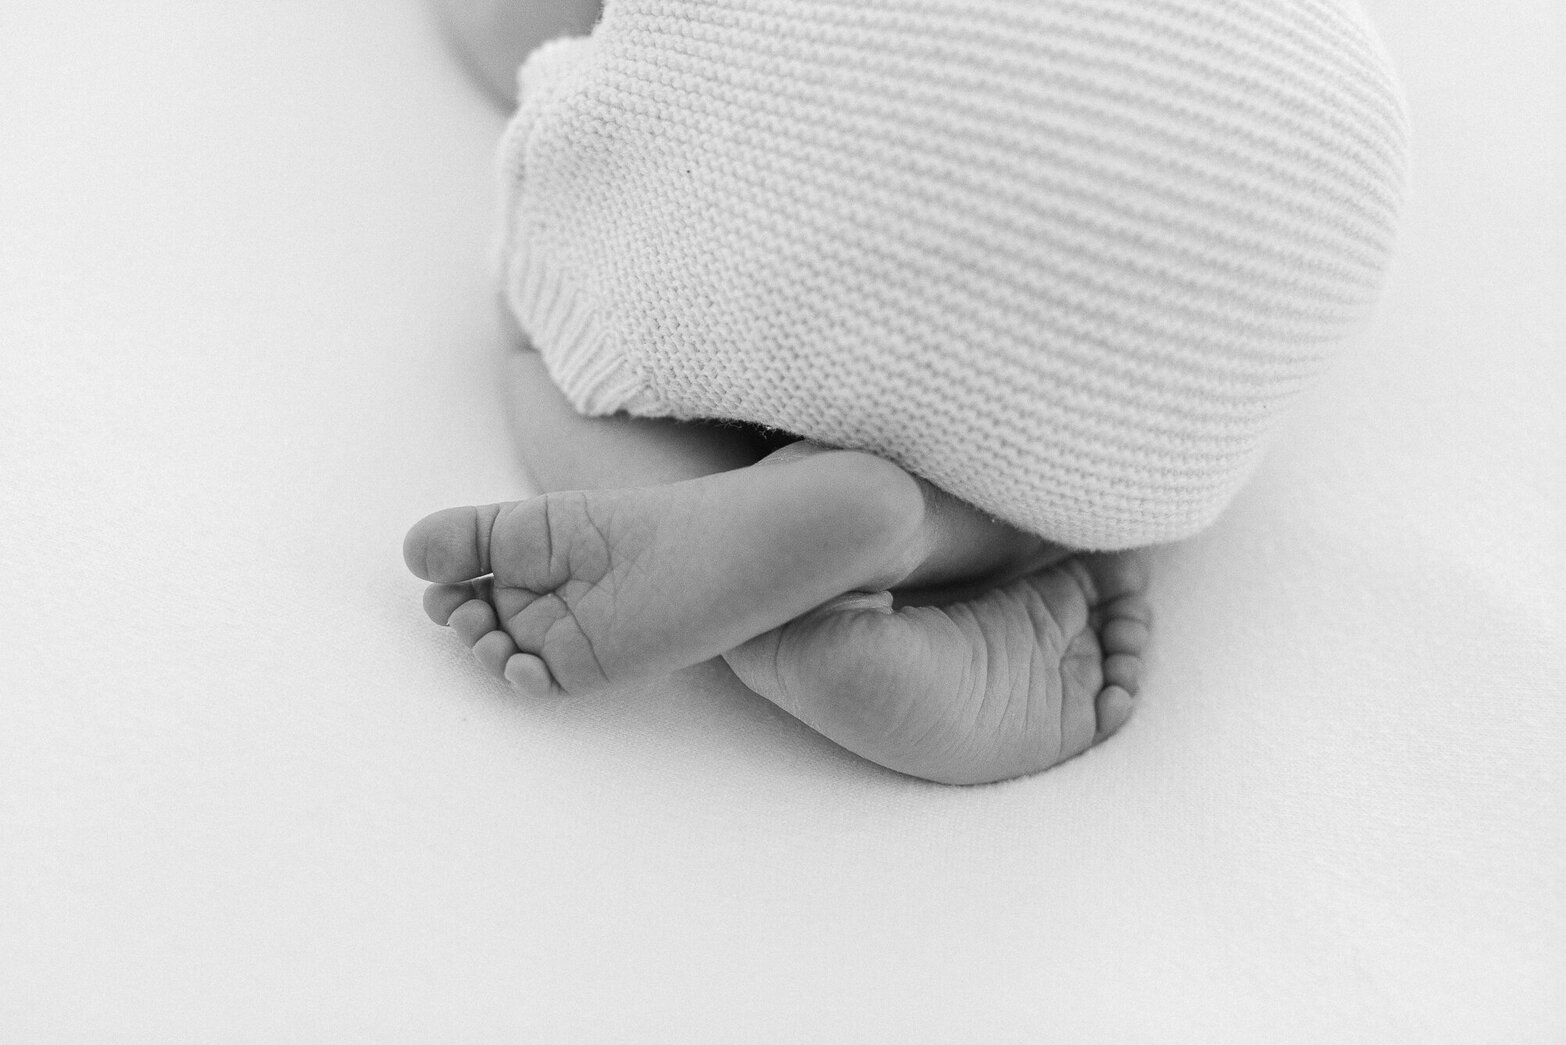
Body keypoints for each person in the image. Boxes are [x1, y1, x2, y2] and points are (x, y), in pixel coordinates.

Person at [406, 0, 1408, 784]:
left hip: (886, 116)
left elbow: (505, 21)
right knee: (1039, 386)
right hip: (1305, 148)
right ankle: (973, 524)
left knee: (549, 322)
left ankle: (851, 552)